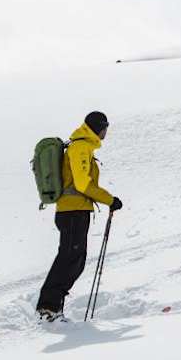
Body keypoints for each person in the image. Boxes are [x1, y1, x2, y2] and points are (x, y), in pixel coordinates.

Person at [36, 111, 123, 322]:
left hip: (76, 211)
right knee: (69, 259)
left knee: (75, 260)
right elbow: (83, 183)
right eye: (104, 127)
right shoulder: (80, 147)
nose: (106, 132)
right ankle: (48, 308)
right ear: (97, 128)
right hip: (72, 212)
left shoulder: (83, 146)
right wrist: (109, 199)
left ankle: (53, 308)